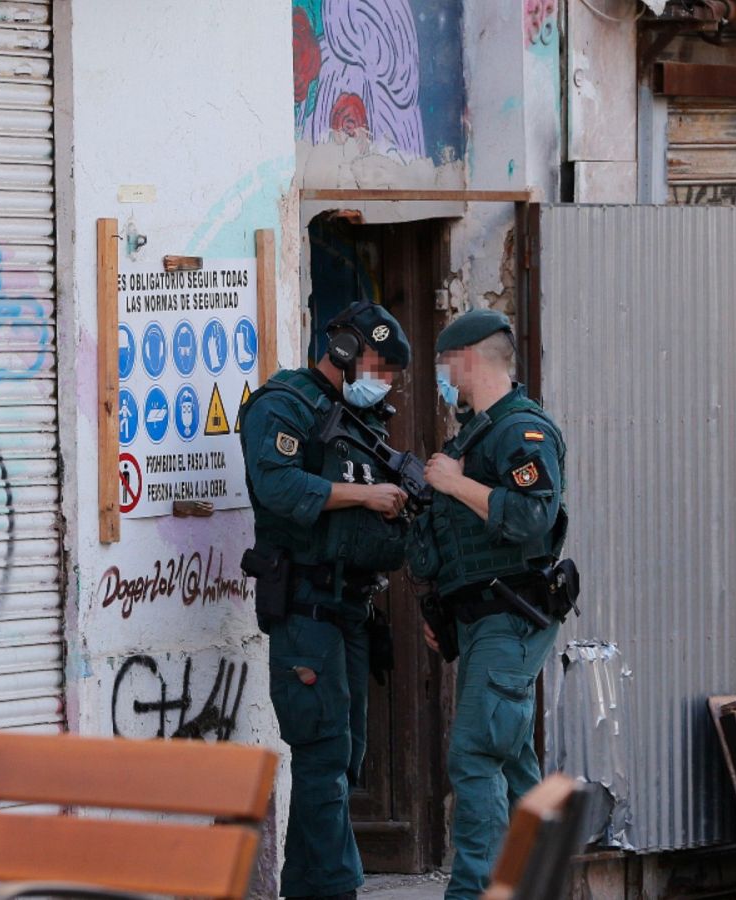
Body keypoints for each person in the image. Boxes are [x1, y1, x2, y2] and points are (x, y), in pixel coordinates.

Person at [238, 301, 413, 900]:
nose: (383, 382)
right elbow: (278, 485)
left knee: (344, 759)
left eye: (392, 374)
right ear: (341, 350)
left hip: (349, 610)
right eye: (377, 365)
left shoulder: (358, 421)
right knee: (322, 754)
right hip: (305, 611)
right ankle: (338, 887)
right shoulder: (282, 404)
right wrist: (363, 499)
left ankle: (309, 887)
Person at [408, 308, 569, 900]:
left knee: (475, 753)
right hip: (482, 622)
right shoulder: (474, 434)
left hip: (513, 619)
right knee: (512, 759)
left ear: (470, 359)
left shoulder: (521, 431)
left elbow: (533, 516)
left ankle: (476, 892)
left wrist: (454, 483)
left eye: (447, 364)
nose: (443, 377)